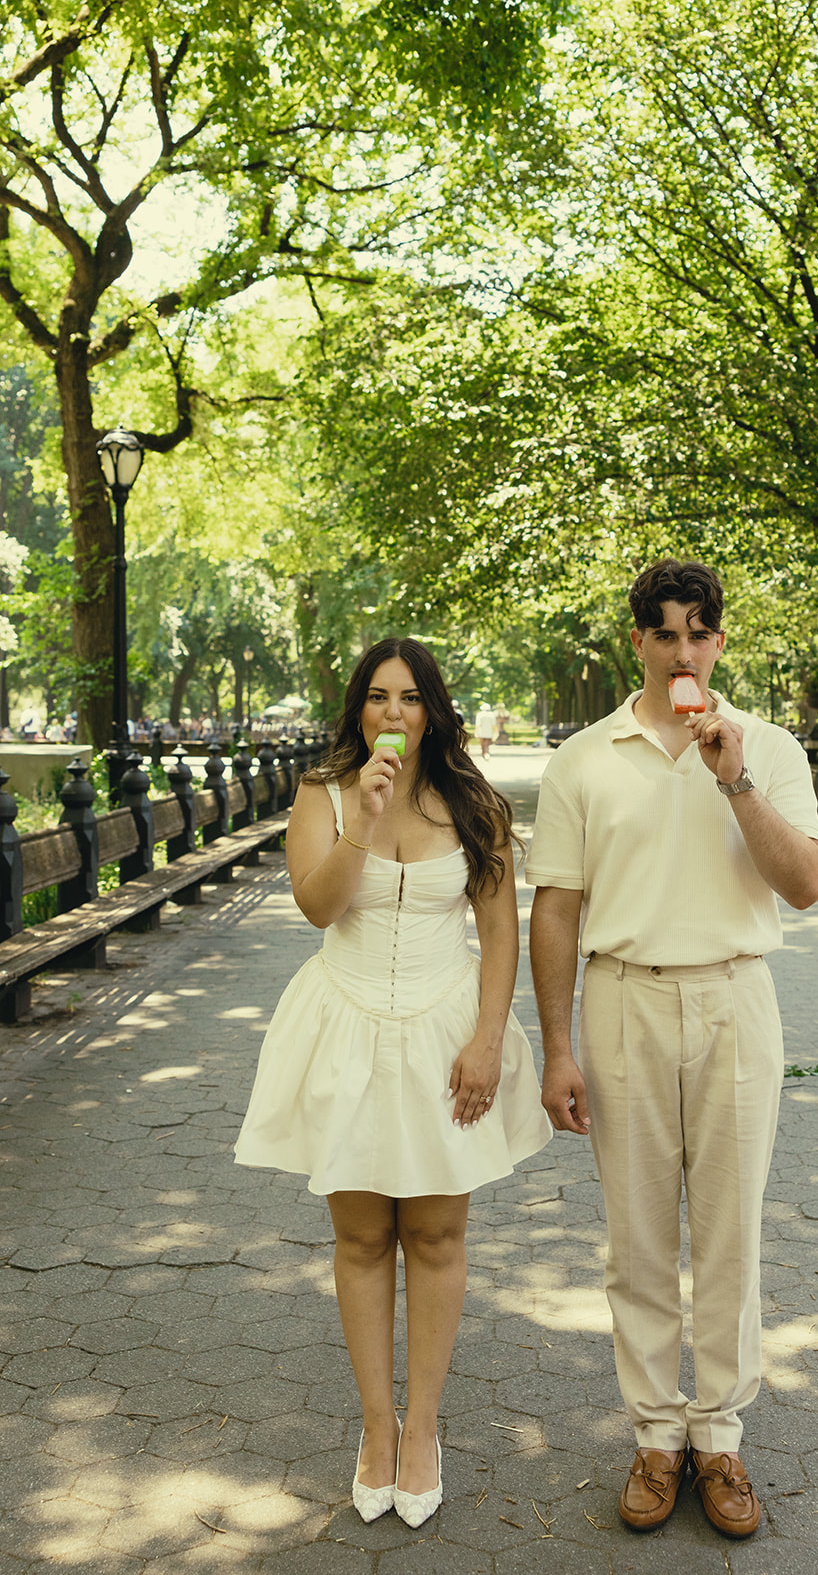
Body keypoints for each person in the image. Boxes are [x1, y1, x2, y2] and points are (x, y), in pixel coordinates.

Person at [526, 559, 818, 1541]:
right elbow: (556, 908)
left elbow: (806, 883)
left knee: (730, 1231)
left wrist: (730, 776)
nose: (683, 650)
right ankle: (657, 1436)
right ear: (637, 643)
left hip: (736, 995)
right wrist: (554, 1048)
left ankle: (720, 1433)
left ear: (719, 641)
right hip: (623, 1000)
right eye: (664, 632)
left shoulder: (767, 748)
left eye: (699, 631)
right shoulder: (583, 758)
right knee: (640, 1236)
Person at [234, 638, 551, 1528]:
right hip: (346, 1027)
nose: (393, 714)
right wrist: (363, 818)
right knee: (365, 1235)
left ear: (433, 710)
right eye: (377, 698)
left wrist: (489, 1040)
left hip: (447, 1029)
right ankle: (377, 1429)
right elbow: (318, 907)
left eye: (410, 698)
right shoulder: (322, 793)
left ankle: (425, 1430)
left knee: (440, 1233)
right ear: (357, 710)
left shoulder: (474, 803)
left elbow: (499, 934)